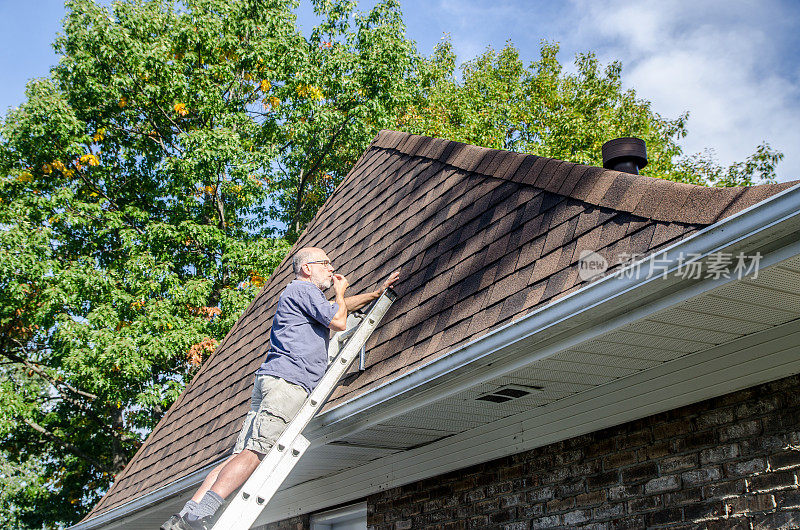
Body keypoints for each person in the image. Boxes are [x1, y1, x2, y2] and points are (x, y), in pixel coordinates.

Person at [162, 247, 399, 530]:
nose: (330, 268)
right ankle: (202, 515)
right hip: (290, 382)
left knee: (241, 454)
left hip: (273, 378)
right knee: (257, 453)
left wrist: (374, 294)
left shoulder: (297, 294)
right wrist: (340, 290)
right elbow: (338, 320)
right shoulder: (305, 290)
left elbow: (339, 309)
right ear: (307, 268)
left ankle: (184, 517)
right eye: (325, 263)